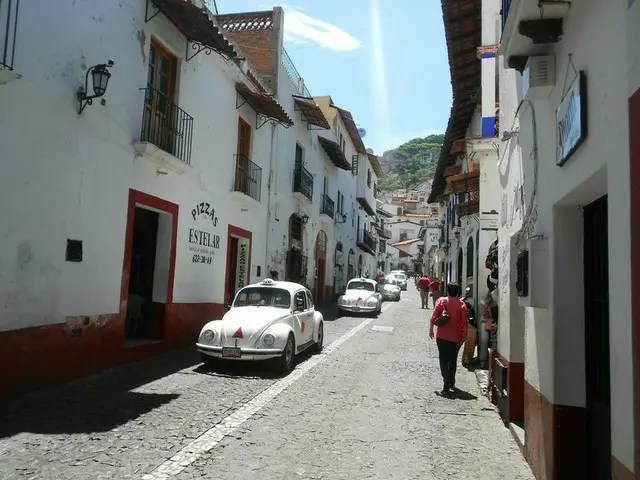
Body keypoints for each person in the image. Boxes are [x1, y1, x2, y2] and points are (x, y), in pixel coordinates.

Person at [429, 283, 468, 394]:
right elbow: (464, 324)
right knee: (452, 360)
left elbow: (433, 317)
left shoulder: (441, 301)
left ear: (448, 291)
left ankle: (446, 378)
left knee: (443, 358)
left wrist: (431, 329)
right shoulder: (462, 305)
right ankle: (451, 381)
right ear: (457, 292)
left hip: (441, 336)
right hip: (456, 337)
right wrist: (464, 338)